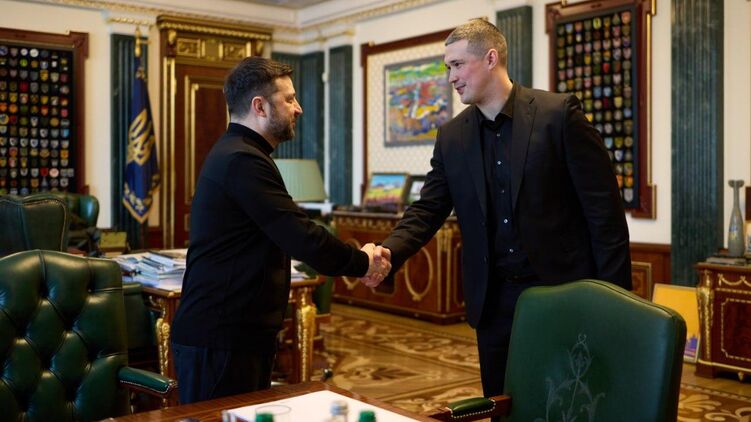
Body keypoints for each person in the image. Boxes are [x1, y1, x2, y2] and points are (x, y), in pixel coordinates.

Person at [364, 19, 631, 401]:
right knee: (502, 405)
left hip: (563, 294)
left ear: (491, 59)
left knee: (567, 405)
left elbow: (605, 215)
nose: (451, 78)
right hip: (493, 304)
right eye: (448, 67)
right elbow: (428, 209)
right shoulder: (451, 136)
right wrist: (389, 250)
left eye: (458, 65)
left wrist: (616, 304)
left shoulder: (559, 115)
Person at [170, 57, 390, 404]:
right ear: (259, 106)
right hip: (222, 338)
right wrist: (362, 262)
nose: (298, 108)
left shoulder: (241, 153)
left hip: (233, 335)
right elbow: (300, 234)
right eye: (289, 99)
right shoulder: (242, 159)